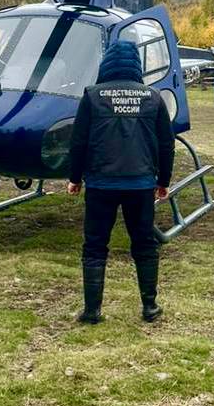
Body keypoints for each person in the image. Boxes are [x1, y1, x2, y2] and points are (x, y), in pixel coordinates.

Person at [67, 41, 175, 323]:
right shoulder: (153, 97)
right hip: (140, 185)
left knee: (94, 245)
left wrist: (74, 178)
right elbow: (166, 143)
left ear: (107, 64)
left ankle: (92, 311)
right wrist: (163, 179)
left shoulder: (92, 96)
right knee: (144, 243)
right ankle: (150, 306)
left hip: (101, 184)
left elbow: (78, 141)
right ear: (136, 65)